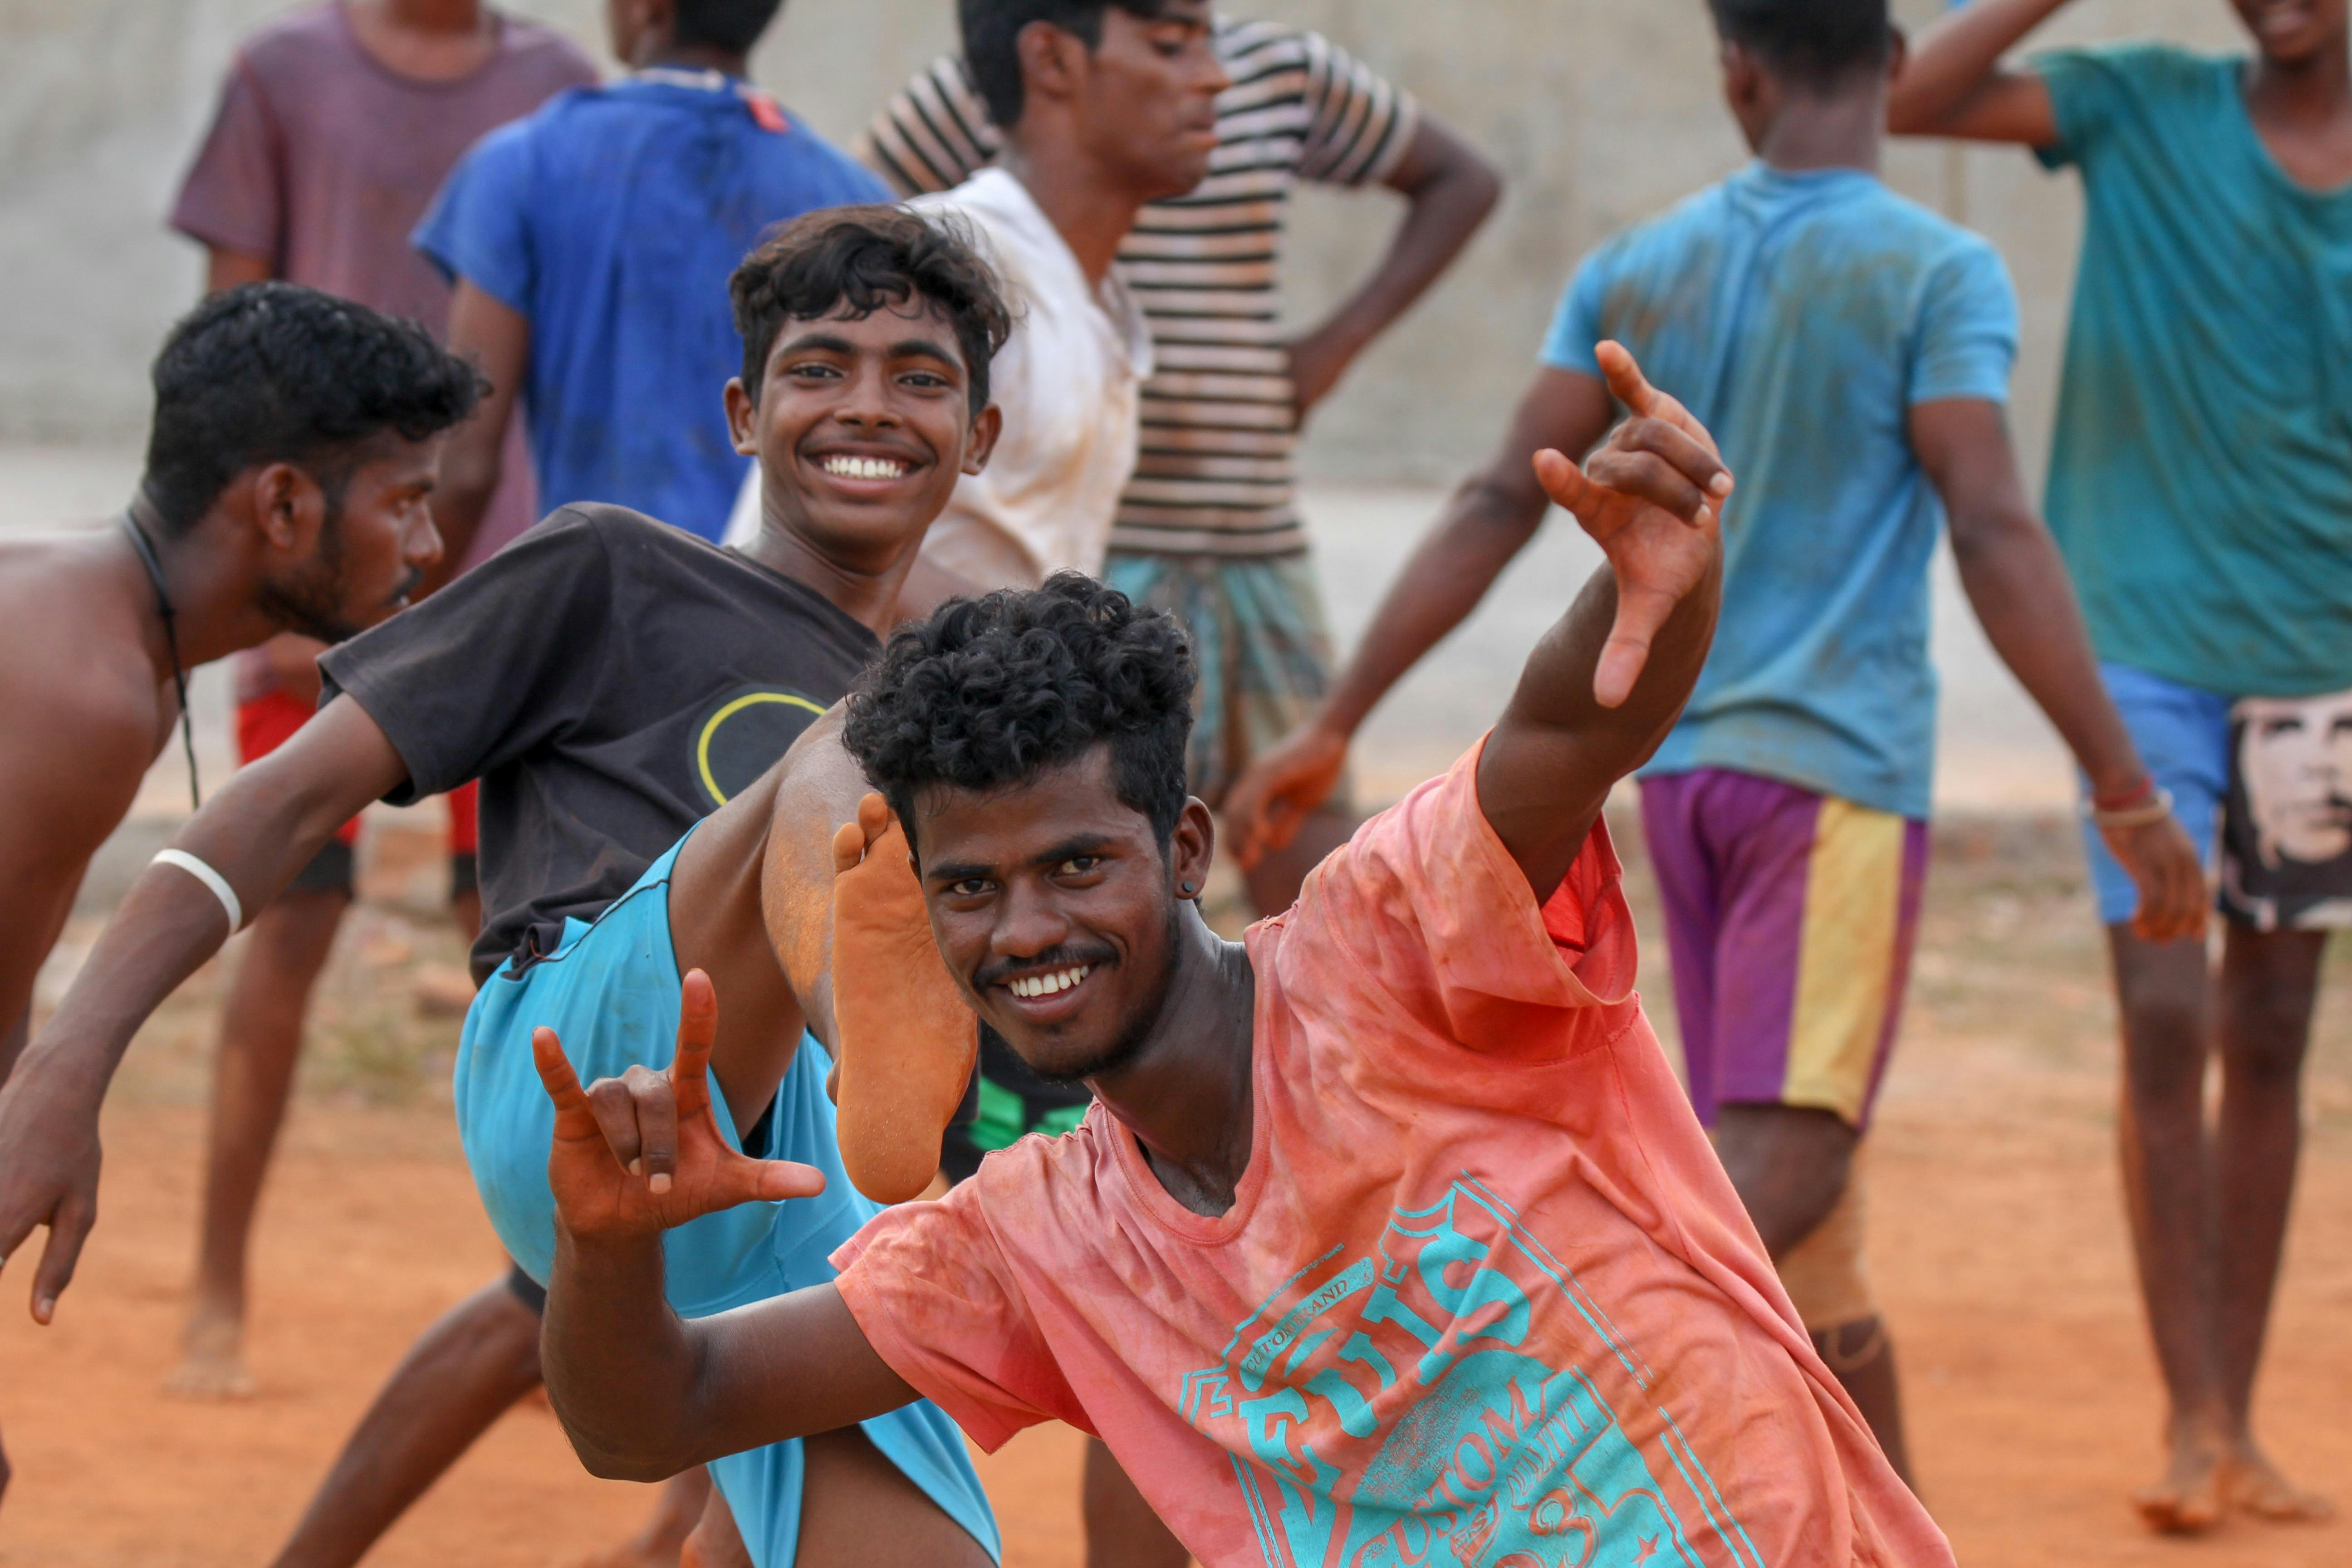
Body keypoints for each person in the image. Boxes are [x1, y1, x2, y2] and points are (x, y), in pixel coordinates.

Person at [523, 348, 1957, 1567]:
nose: (1026, 933)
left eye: (1077, 865)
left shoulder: (1390, 948)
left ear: (1187, 846)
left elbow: (1569, 733)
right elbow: (654, 1413)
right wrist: (602, 1252)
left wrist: (1659, 579)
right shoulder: (1037, 1240)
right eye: (969, 889)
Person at [1222, 0, 2207, 1493]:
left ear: (1735, 71)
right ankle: (1516, 1393)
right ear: (1887, 64)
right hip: (1832, 778)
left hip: (1671, 776)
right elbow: (1992, 523)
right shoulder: (1939, 266)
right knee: (1781, 1158)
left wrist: (1338, 713)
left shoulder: (1639, 262)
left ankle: (1883, 1524)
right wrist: (2121, 783)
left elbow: (1500, 496)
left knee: (1820, 1229)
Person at [0, 209, 1009, 1568]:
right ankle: (869, 1047)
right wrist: (67, 1066)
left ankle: (885, 1110)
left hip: (784, 1191)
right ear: (741, 414)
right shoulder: (610, 571)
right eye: (819, 368)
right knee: (863, 740)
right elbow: (284, 800)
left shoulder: (960, 657)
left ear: (983, 438)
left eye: (922, 378)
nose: (867, 407)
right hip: (585, 1084)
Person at [1886, 0, 2352, 1532]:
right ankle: (2190, 1412)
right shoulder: (2142, 101)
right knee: (2164, 1005)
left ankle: (2243, 1411)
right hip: (2140, 644)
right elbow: (1908, 94)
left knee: (2273, 1025)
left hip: (2321, 656)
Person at [163, 0, 595, 1404]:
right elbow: (227, 346)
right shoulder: (283, 73)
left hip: (510, 594)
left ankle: (556, 1311)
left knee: (531, 956)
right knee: (283, 925)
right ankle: (217, 1282)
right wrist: (255, 579)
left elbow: (565, 354)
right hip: (314, 592)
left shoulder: (558, 88)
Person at [0, 283, 480, 1510]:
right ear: (281, 505)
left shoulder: (102, 630)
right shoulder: (89, 689)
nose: (427, 547)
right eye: (407, 501)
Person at [855, 15, 1501, 915]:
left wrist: (1334, 347)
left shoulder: (1110, 304)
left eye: (1201, 41)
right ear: (1052, 63)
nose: (1214, 82)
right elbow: (850, 539)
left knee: (1289, 865)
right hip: (1101, 565)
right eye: (1171, 48)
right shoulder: (970, 247)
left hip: (1244, 520)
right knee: (1102, 853)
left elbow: (1464, 176)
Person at [419, 0, 888, 548]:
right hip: (778, 602)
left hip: (595, 594)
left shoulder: (522, 165)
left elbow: (465, 472)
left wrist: (394, 626)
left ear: (648, 9)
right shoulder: (853, 201)